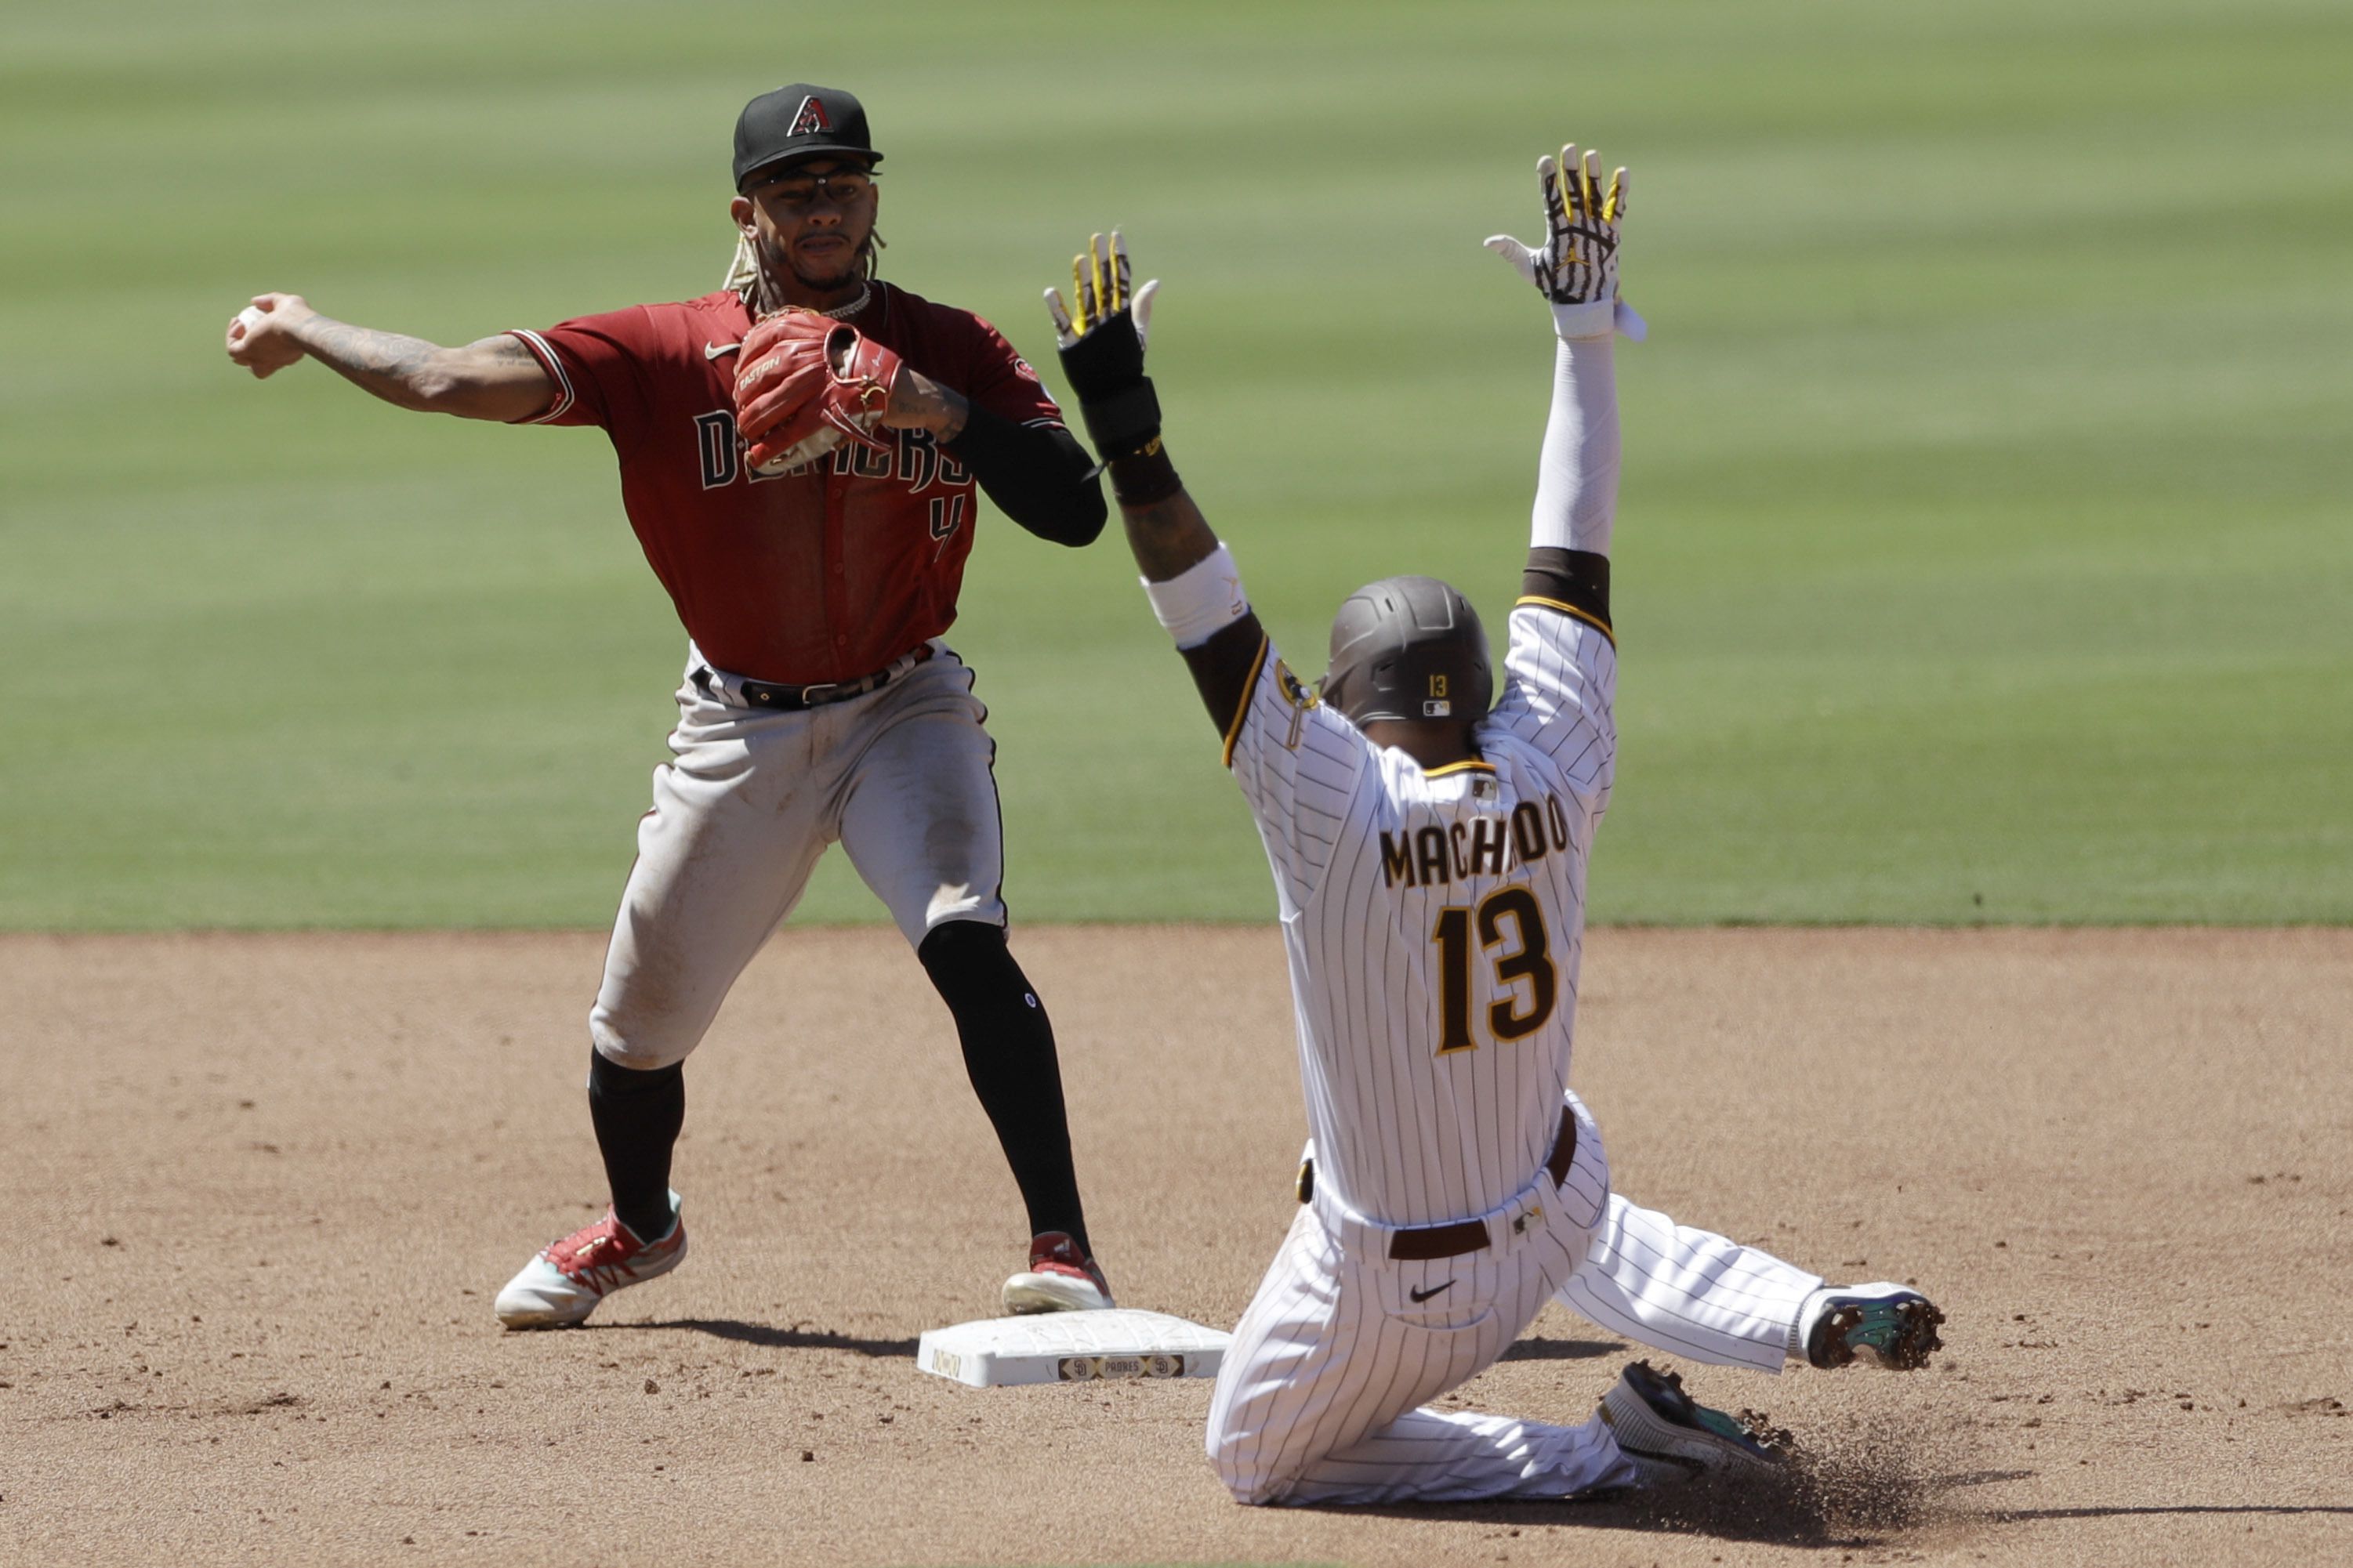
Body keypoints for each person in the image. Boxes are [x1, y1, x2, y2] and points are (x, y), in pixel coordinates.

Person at [1040, 141, 1944, 1506]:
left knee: (1254, 1454)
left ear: (1350, 703)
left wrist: (1125, 429)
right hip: (1555, 1196)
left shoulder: (1332, 800)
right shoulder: (1554, 751)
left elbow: (1205, 608)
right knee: (1558, 1185)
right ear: (1474, 683)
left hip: (1409, 1279)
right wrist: (1583, 333)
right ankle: (1794, 1307)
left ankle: (1605, 1454)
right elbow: (1569, 542)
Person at [224, 83, 1118, 1327]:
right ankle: (640, 1228)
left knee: (964, 933)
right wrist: (306, 324)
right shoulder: (659, 352)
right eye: (795, 189)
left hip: (903, 710)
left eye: (845, 182)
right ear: (746, 212)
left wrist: (937, 409)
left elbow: (1076, 509)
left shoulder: (946, 344)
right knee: (637, 1026)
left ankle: (1064, 1247)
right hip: (738, 728)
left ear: (872, 197)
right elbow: (445, 380)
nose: (823, 207)